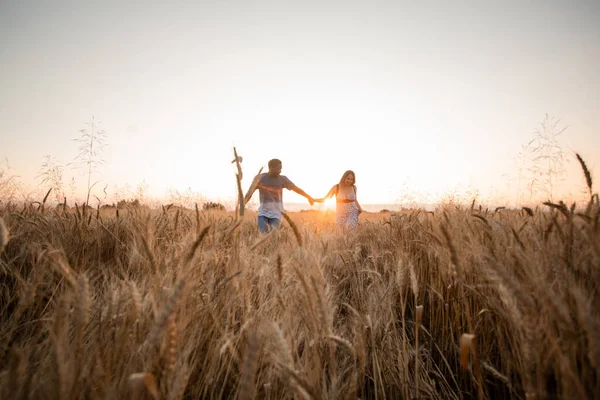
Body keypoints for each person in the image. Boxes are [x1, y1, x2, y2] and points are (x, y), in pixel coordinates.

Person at [244, 158, 315, 233]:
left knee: (273, 236)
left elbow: (297, 189)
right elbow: (249, 193)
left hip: (277, 214)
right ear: (271, 168)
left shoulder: (283, 179)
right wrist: (242, 206)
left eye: (280, 169)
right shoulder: (259, 178)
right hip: (263, 213)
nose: (280, 171)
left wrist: (308, 197)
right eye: (278, 169)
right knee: (262, 235)